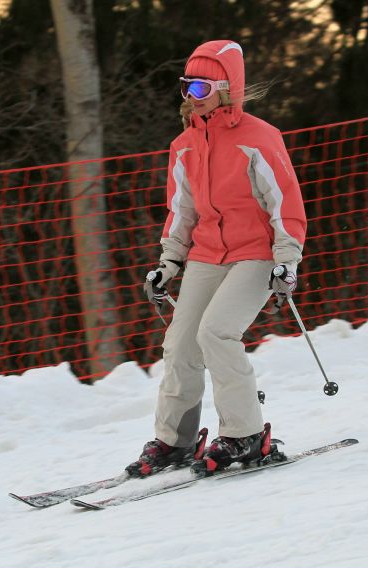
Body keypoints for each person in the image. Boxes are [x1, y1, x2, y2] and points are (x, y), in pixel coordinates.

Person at [126, 40, 306, 477]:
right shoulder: (184, 145)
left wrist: (288, 259)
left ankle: (245, 433)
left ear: (227, 90)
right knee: (181, 342)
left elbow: (284, 202)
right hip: (207, 254)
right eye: (187, 86)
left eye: (202, 89)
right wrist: (169, 262)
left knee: (217, 333)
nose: (191, 96)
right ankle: (174, 442)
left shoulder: (259, 139)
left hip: (256, 254)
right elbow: (182, 211)